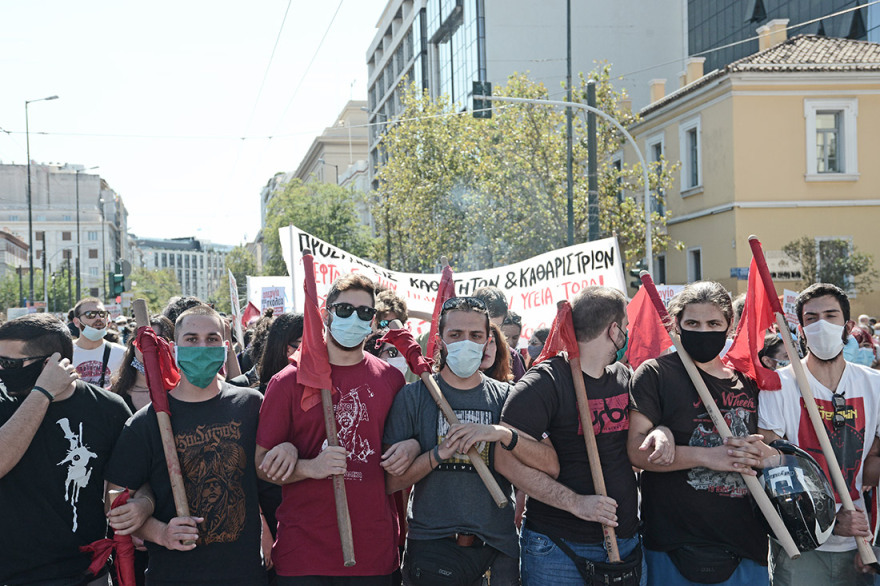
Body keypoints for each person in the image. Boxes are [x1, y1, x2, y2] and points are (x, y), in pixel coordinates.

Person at [256, 274, 408, 584]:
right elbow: (260, 465)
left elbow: (402, 454)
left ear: (374, 320)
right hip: (305, 556)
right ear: (326, 314)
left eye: (364, 312)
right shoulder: (287, 381)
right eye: (344, 310)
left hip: (374, 553)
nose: (354, 317)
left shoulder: (392, 380)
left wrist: (413, 447)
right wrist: (310, 467)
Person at [105, 304, 267, 585]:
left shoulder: (251, 405)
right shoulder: (147, 422)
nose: (202, 346)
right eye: (191, 339)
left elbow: (267, 481)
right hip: (174, 575)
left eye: (212, 339)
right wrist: (159, 532)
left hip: (244, 573)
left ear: (226, 346)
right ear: (173, 348)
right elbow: (115, 500)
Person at [384, 296, 542, 585]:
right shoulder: (412, 398)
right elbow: (391, 483)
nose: (465, 342)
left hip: (496, 551)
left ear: (487, 341)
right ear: (440, 339)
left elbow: (546, 464)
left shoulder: (508, 397)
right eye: (456, 335)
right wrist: (435, 453)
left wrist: (503, 434)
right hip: (432, 549)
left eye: (475, 335)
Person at [497, 286, 647, 586]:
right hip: (557, 548)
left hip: (625, 543)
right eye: (626, 328)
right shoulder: (543, 383)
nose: (627, 336)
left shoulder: (624, 377)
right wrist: (576, 503)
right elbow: (504, 460)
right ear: (614, 329)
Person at [629, 281, 772, 585]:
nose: (703, 331)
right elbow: (636, 452)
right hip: (673, 543)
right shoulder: (656, 374)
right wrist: (709, 457)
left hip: (745, 544)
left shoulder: (748, 381)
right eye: (693, 323)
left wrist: (764, 455)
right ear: (676, 324)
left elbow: (773, 453)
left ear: (729, 325)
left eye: (713, 323)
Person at [758, 283, 880, 586]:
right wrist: (827, 522)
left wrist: (872, 535)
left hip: (860, 542)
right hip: (801, 547)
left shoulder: (874, 384)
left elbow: (874, 463)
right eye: (812, 318)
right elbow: (772, 468)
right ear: (800, 329)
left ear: (848, 327)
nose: (821, 324)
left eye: (831, 315)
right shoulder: (779, 386)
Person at [0, 313, 132, 585]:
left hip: (83, 573)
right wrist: (43, 392)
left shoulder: (109, 408)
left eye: (8, 363)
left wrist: (142, 505)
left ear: (51, 363)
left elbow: (125, 488)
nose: (1, 371)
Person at [109, 315, 174, 412]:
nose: (150, 347)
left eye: (159, 340)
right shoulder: (114, 394)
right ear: (134, 345)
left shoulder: (183, 393)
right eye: (144, 340)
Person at [71, 297, 126, 389]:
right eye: (90, 314)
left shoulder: (122, 354)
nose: (98, 318)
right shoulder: (65, 352)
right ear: (77, 322)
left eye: (102, 314)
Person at [473, 287, 525, 382]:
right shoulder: (456, 352)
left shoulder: (511, 356)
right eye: (484, 326)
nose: (489, 333)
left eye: (495, 327)